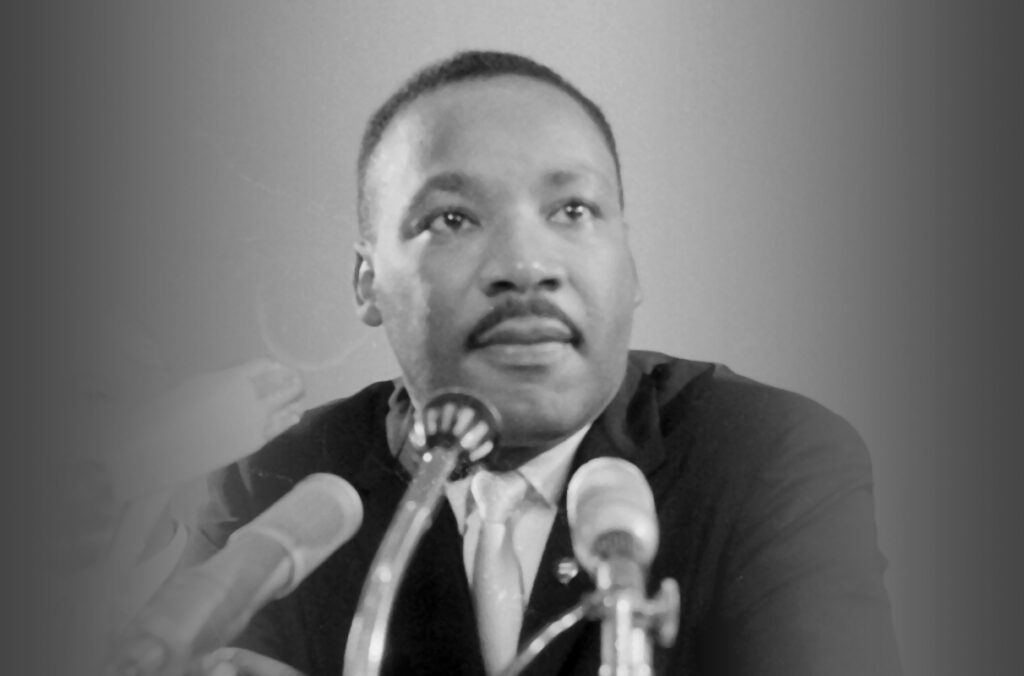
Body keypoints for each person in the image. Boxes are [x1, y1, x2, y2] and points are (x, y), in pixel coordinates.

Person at [184, 51, 901, 675]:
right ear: (368, 281)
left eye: (573, 211)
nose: (526, 267)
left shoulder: (767, 458)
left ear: (630, 264)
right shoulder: (275, 491)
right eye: (452, 219)